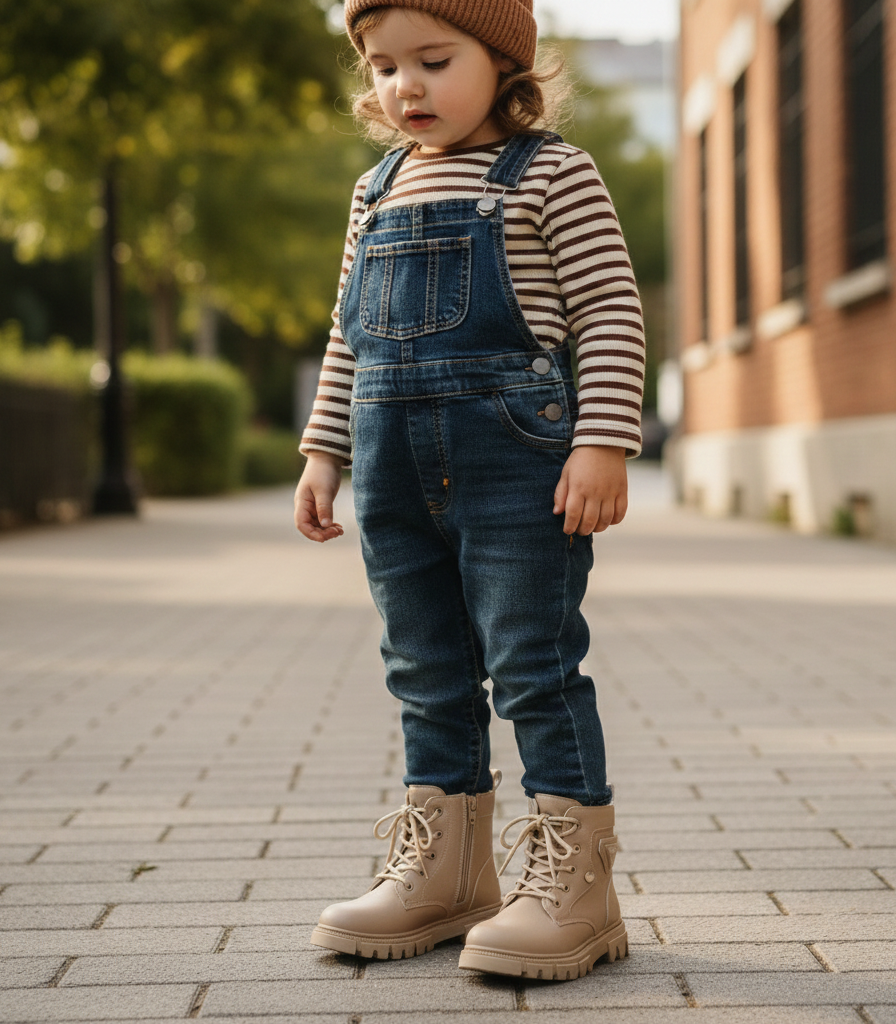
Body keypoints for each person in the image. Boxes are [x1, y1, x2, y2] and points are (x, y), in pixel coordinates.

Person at [294, 0, 644, 981]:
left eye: (433, 60)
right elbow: (345, 338)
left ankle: (576, 887)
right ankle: (444, 874)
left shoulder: (552, 172)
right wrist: (322, 454)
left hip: (515, 461)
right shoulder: (375, 190)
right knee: (423, 664)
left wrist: (604, 441)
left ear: (502, 59)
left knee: (532, 660)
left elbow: (609, 308)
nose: (405, 85)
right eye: (382, 65)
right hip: (389, 463)